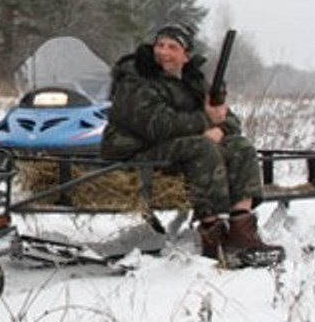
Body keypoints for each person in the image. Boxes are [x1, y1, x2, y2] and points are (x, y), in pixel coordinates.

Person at [101, 24, 284, 267]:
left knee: (241, 147)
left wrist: (219, 129)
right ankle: (212, 235)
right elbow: (157, 126)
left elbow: (228, 119)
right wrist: (206, 122)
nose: (164, 52)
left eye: (172, 47)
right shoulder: (136, 79)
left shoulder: (193, 82)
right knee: (201, 146)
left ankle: (242, 233)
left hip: (176, 149)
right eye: (160, 45)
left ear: (186, 55)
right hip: (136, 151)